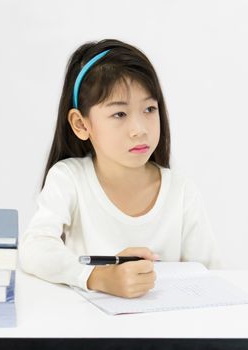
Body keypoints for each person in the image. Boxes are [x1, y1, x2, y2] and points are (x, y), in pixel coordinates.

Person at [19, 39, 221, 299]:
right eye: (119, 114)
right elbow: (34, 249)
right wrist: (97, 277)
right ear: (81, 125)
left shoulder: (182, 192)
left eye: (149, 109)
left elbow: (211, 275)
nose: (140, 129)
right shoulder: (68, 179)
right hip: (88, 333)